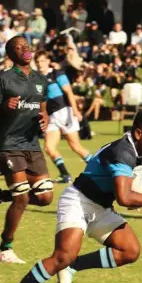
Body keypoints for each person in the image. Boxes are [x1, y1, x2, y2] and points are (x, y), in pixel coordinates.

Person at [0, 110, 142, 283]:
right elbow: (124, 198)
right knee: (62, 256)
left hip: (101, 207)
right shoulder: (122, 152)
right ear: (139, 134)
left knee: (130, 251)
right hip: (78, 201)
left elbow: (128, 188)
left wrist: (141, 192)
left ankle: (72, 267)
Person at [0, 36, 53, 264]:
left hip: (32, 145)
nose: (25, 49)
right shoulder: (4, 78)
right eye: (18, 48)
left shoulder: (41, 79)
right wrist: (4, 106)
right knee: (21, 198)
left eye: (26, 45)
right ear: (11, 55)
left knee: (45, 197)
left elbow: (42, 108)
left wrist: (45, 117)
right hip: (9, 145)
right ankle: (5, 248)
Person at [33, 50, 92, 183]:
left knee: (75, 146)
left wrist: (75, 111)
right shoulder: (36, 79)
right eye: (37, 62)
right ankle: (65, 174)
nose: (39, 64)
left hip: (64, 112)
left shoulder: (57, 74)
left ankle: (100, 168)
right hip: (51, 116)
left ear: (48, 61)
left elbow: (69, 92)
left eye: (42, 61)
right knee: (49, 147)